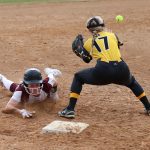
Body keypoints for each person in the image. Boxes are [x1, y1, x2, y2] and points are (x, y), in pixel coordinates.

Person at [58, 16, 150, 118]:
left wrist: (79, 51)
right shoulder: (113, 35)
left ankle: (70, 109)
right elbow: (117, 47)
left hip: (103, 70)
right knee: (132, 83)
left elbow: (87, 59)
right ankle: (148, 107)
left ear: (89, 29)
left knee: (78, 77)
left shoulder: (90, 42)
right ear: (103, 25)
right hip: (122, 68)